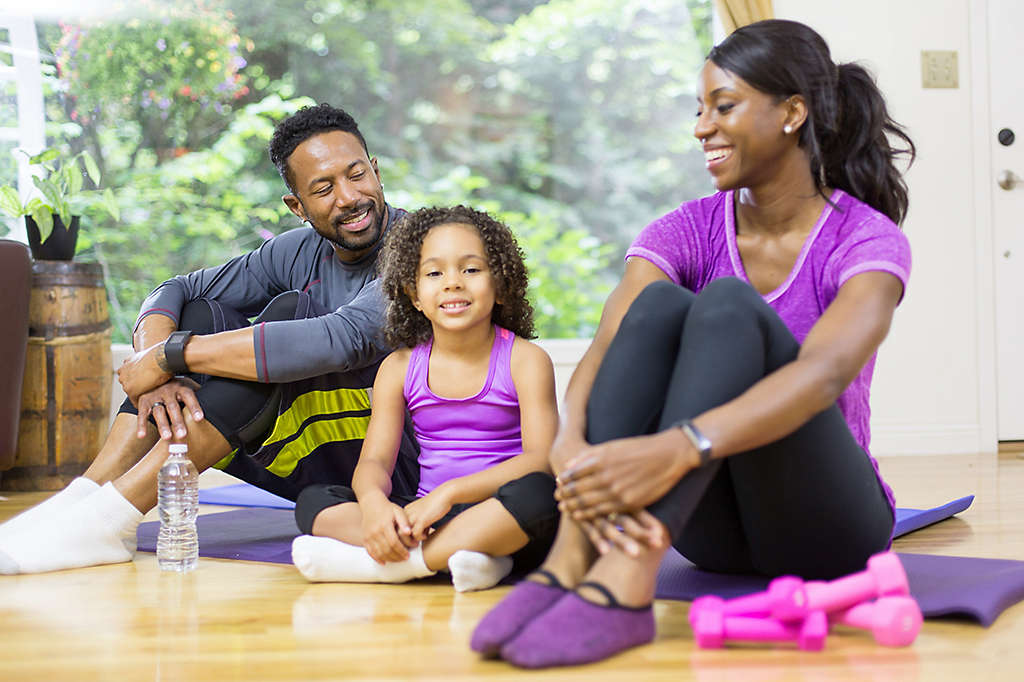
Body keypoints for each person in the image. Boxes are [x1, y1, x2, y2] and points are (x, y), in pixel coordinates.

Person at [471, 19, 916, 668]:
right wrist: (571, 442)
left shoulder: (865, 239)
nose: (701, 127)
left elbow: (822, 374)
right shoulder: (686, 228)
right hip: (711, 532)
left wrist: (682, 444)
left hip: (827, 528)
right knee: (655, 304)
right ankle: (570, 563)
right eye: (699, 109)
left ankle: (624, 588)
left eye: (723, 106)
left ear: (792, 113)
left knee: (728, 309)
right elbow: (608, 343)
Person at [0, 103, 420, 574]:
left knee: (283, 321)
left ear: (376, 171)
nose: (348, 197)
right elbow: (178, 290)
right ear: (297, 207)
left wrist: (170, 354)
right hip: (316, 454)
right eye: (323, 189)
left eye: (356, 175)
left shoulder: (420, 247)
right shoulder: (297, 250)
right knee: (199, 313)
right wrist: (156, 367)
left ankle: (112, 517)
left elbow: (340, 339)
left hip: (389, 466)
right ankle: (86, 495)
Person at [290, 205, 560, 593]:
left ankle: (395, 565)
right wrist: (376, 508)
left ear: (500, 285)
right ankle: (473, 558)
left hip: (497, 508)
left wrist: (448, 495)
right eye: (434, 273)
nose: (453, 283)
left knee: (539, 495)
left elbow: (540, 459)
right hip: (421, 516)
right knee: (314, 501)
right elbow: (375, 461)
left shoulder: (526, 360)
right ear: (413, 294)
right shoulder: (399, 367)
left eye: (471, 269)